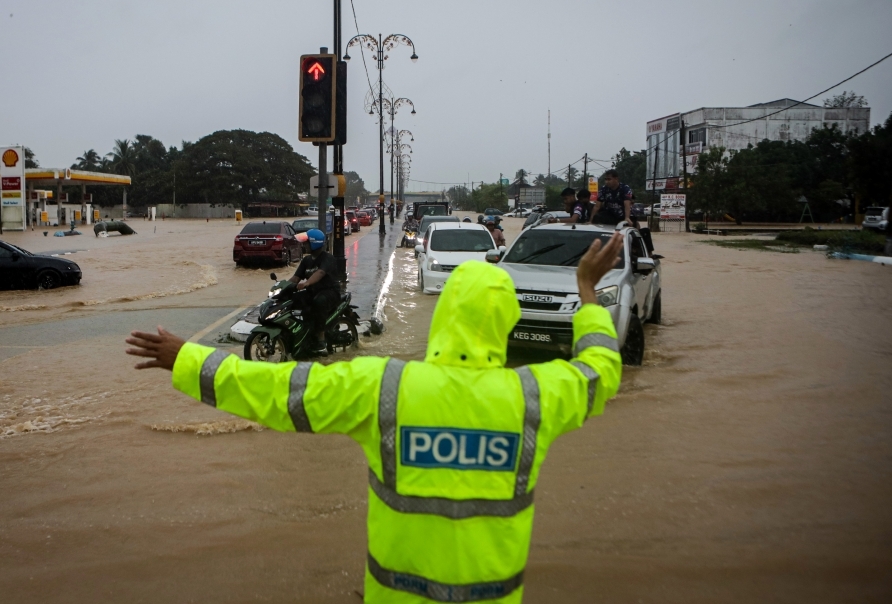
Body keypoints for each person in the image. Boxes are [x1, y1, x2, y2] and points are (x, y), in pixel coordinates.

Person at [125, 233, 624, 603]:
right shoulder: (535, 398)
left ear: (445, 312)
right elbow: (601, 368)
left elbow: (276, 392)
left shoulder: (387, 387)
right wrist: (586, 290)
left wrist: (188, 358)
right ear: (507, 322)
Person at [288, 229, 340, 354]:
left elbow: (320, 272)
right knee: (292, 300)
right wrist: (282, 287)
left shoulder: (328, 258)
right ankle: (300, 332)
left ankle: (321, 340)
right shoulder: (306, 260)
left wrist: (307, 283)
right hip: (313, 291)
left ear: (314, 244)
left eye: (306, 243)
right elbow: (296, 278)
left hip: (330, 292)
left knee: (319, 301)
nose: (304, 245)